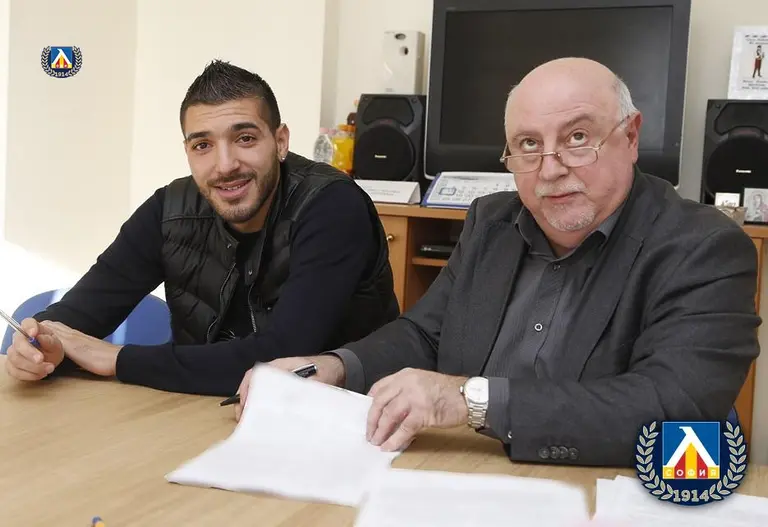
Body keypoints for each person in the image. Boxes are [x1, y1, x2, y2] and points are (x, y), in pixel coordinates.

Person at [234, 57, 761, 467]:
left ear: (630, 136)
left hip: (608, 494)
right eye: (528, 144)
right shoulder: (492, 222)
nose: (550, 169)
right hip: (463, 475)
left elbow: (676, 408)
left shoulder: (704, 246)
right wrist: (335, 367)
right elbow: (425, 335)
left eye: (578, 138)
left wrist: (471, 400)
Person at [4, 60, 399, 395]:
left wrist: (116, 358)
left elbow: (284, 355)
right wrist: (40, 344)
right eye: (203, 145)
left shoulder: (332, 206)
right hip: (197, 414)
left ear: (280, 142)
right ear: (188, 152)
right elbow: (78, 315)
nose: (225, 165)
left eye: (245, 138)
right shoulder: (168, 211)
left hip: (348, 421)